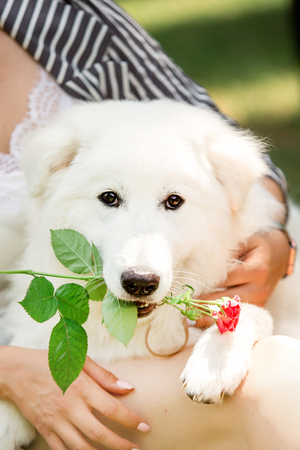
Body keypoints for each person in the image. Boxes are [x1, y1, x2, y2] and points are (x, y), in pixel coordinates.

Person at [0, 1, 299, 449]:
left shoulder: (51, 13)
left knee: (277, 372)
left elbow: (209, 132)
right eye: (109, 199)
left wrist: (275, 233)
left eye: (173, 201)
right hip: (31, 368)